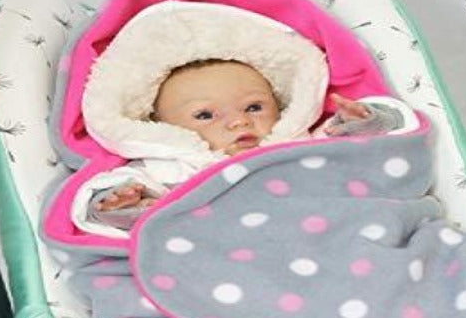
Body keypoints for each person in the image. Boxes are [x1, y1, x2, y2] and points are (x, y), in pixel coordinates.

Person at [85, 58, 412, 230]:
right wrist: (122, 205)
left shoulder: (299, 143)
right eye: (205, 115)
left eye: (254, 107)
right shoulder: (170, 167)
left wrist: (363, 122)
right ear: (167, 129)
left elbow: (359, 149)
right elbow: (123, 194)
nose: (238, 122)